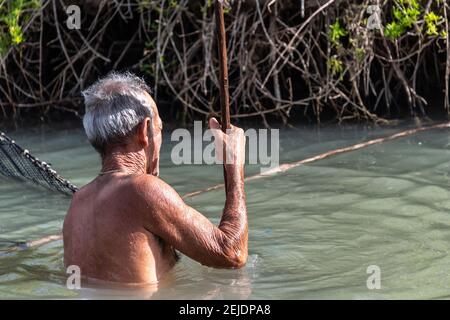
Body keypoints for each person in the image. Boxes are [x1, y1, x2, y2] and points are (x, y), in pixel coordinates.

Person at [63, 72, 248, 285]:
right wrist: (234, 166)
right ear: (144, 131)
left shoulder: (77, 204)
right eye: (159, 129)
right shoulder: (142, 190)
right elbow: (232, 253)